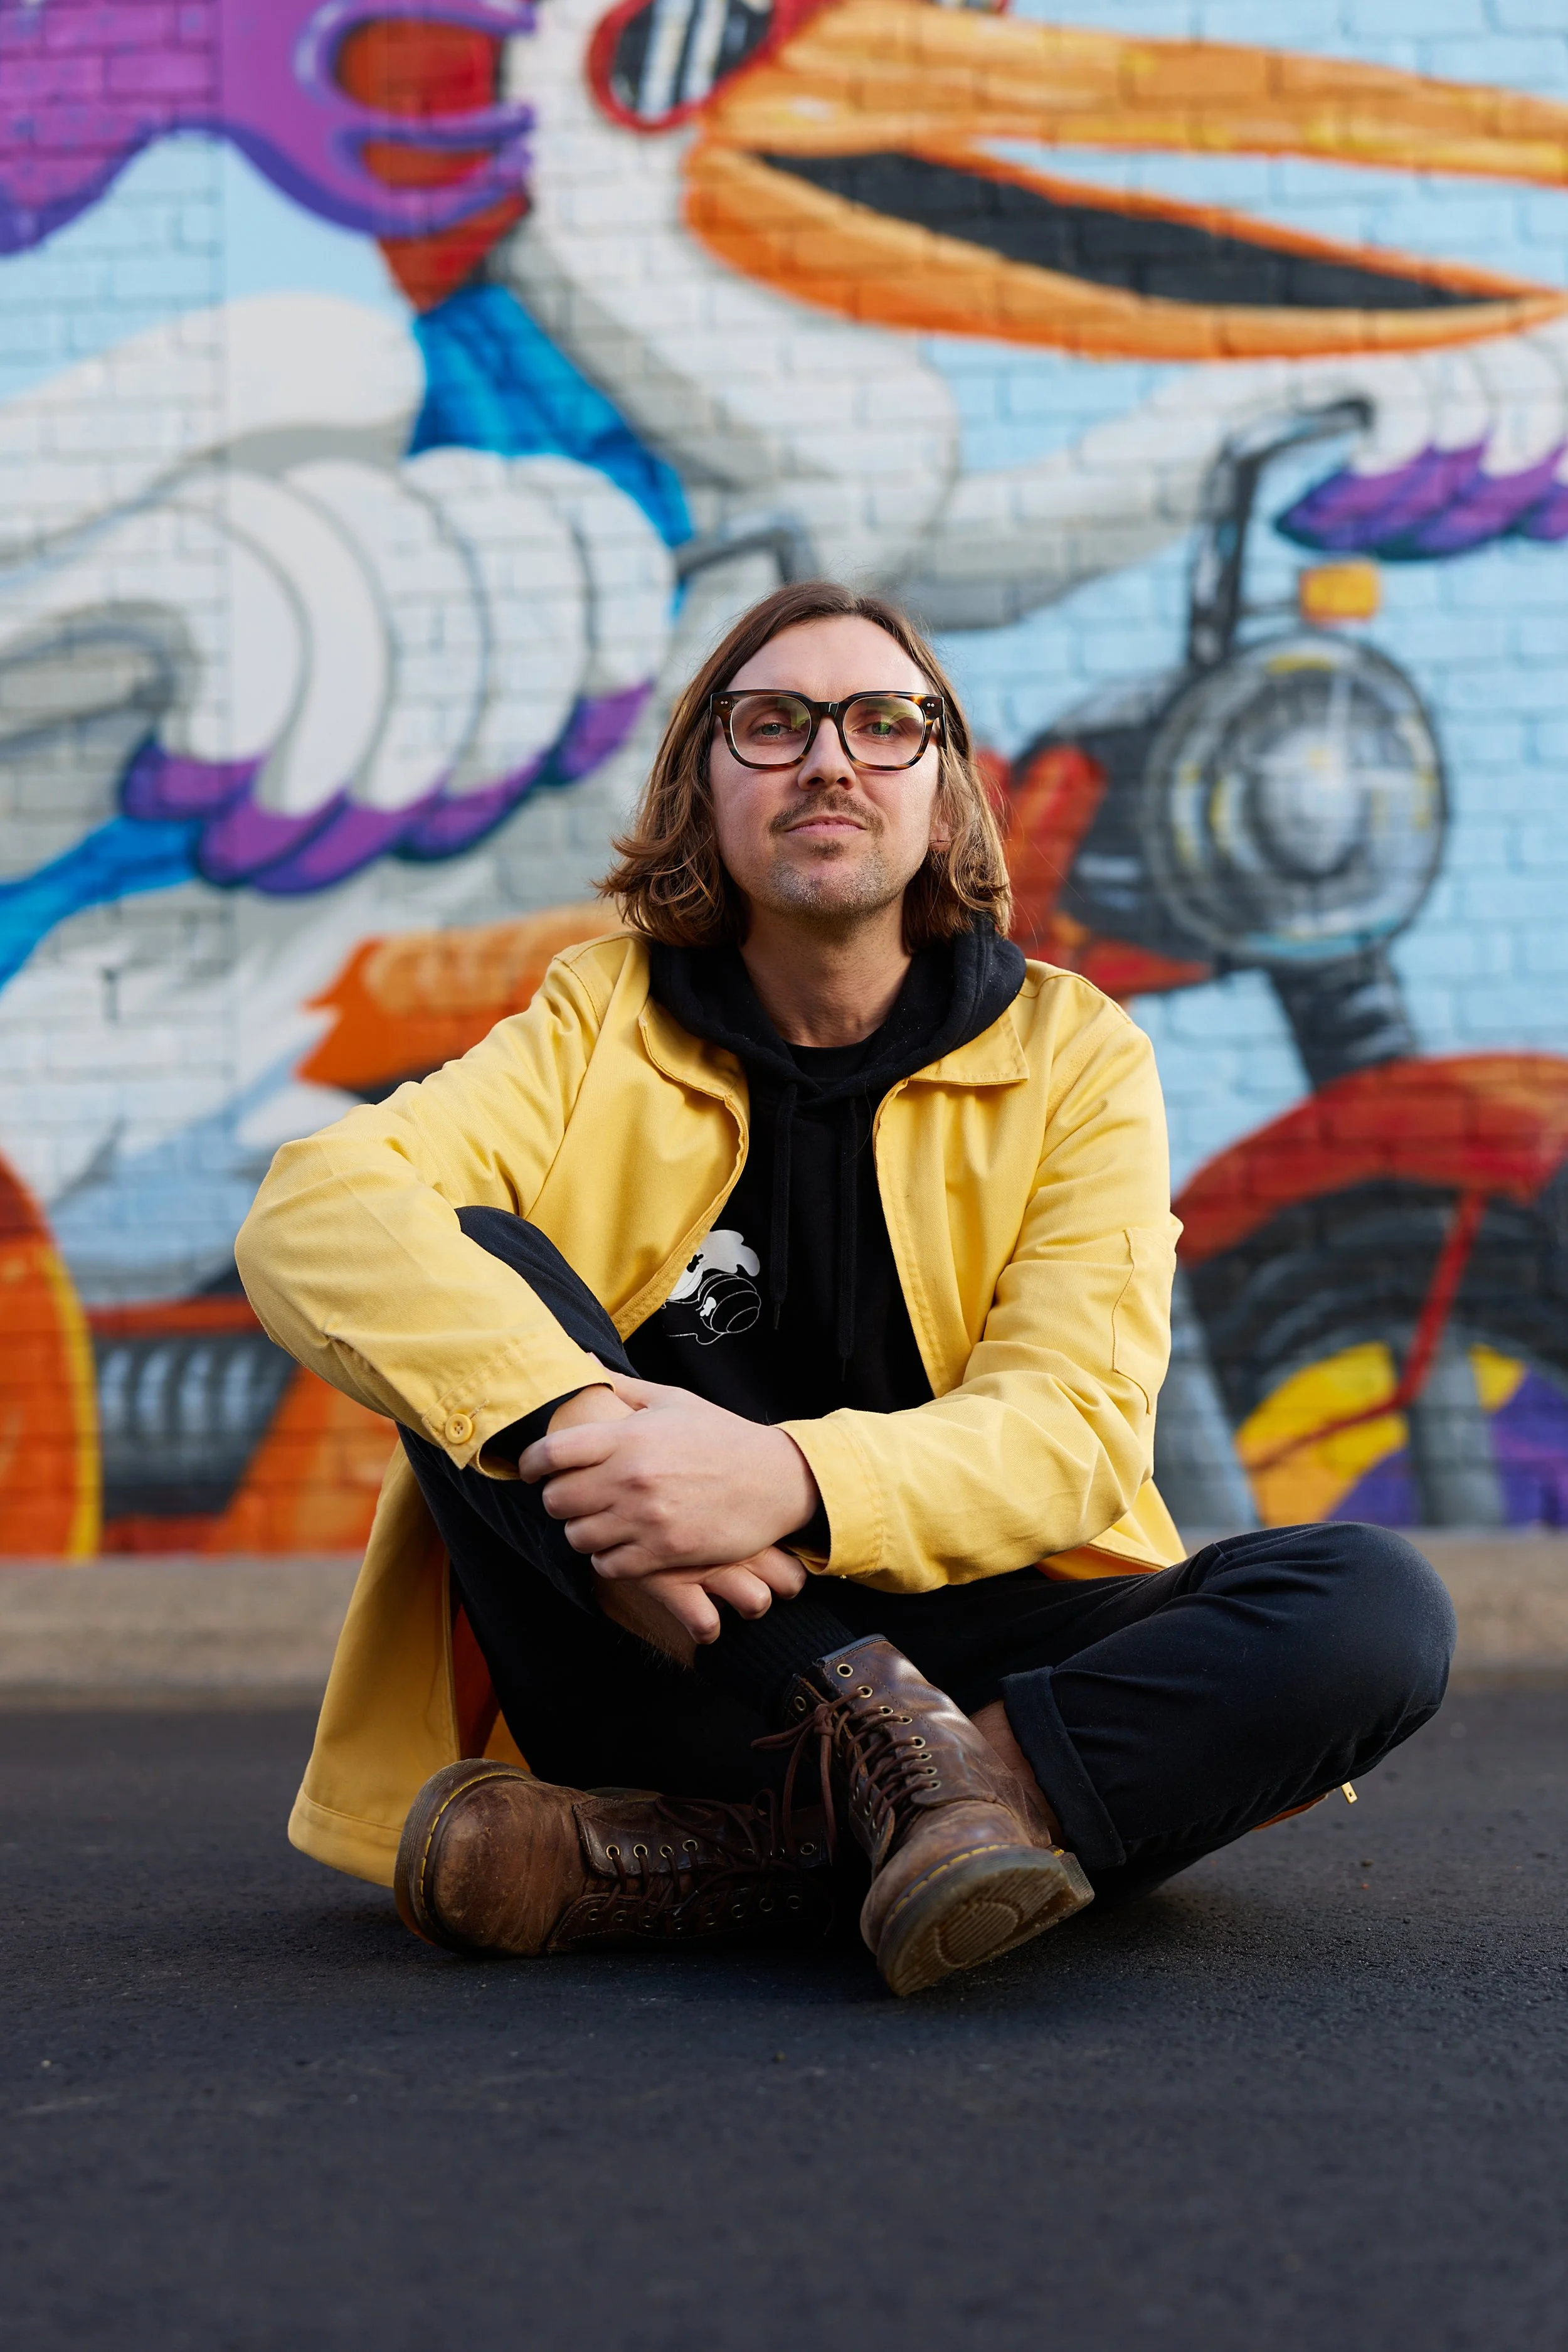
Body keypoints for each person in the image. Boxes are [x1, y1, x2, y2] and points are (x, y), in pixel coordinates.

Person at [236, 580, 1456, 1998]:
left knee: (1369, 1606)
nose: (829, 756)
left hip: (982, 1633)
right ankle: (940, 1795)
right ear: (706, 791)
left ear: (944, 794)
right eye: (772, 725)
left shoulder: (1073, 1053)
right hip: (657, 1637)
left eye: (883, 723)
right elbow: (316, 1208)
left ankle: (737, 1850)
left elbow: (1072, 1431)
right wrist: (586, 1415)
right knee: (474, 1265)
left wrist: (780, 1475)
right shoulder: (595, 1018)